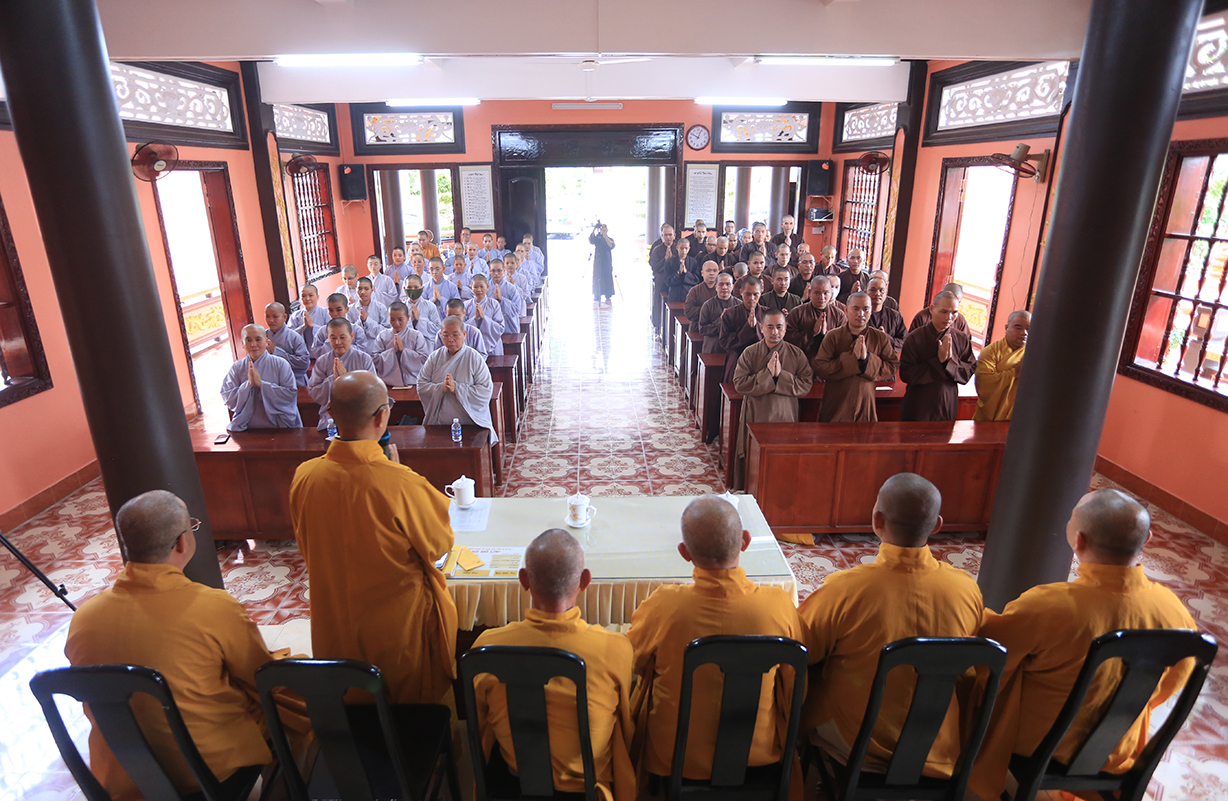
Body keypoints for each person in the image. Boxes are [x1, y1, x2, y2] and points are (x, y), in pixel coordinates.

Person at [66, 490, 311, 800]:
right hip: (204, 774)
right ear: (183, 542)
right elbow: (260, 676)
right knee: (290, 701)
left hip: (123, 774)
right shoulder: (212, 607)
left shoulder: (84, 617)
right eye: (192, 525)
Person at [969, 489, 1198, 801]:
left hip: (1039, 745)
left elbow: (988, 657)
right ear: (1147, 539)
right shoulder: (1175, 612)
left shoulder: (1049, 606)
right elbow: (1171, 683)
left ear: (1078, 540)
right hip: (1117, 745)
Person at [291, 371, 458, 705]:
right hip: (395, 630)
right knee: (405, 709)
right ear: (382, 416)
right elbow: (439, 544)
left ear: (330, 413)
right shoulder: (400, 483)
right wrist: (394, 471)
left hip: (334, 621)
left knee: (351, 698)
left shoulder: (305, 476)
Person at [799, 474, 983, 777]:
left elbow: (802, 649)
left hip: (858, 742)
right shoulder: (966, 589)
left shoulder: (845, 589)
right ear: (937, 525)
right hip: (935, 744)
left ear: (877, 520)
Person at [628, 497, 803, 791]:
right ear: (745, 541)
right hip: (758, 756)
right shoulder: (779, 606)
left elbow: (633, 661)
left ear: (684, 552)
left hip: (673, 759)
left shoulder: (663, 605)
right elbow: (797, 681)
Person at [472, 530, 635, 801]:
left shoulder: (487, 648)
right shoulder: (616, 648)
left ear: (524, 580)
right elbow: (627, 722)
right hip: (587, 783)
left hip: (517, 773)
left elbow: (478, 721)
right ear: (585, 580)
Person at [731, 308, 813, 489]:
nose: (775, 332)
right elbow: (739, 384)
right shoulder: (750, 353)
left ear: (786, 328)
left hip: (785, 415)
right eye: (770, 327)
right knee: (753, 459)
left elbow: (806, 384)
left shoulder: (796, 354)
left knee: (781, 461)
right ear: (761, 328)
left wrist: (780, 376)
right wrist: (767, 374)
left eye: (779, 327)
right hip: (756, 414)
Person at [813, 293, 899, 422]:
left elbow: (892, 367)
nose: (861, 314)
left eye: (866, 309)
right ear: (846, 310)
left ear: (871, 310)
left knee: (864, 433)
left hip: (865, 402)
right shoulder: (833, 336)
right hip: (836, 402)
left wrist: (867, 359)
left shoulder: (879, 337)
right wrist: (852, 358)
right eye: (856, 309)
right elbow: (820, 367)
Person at [419, 316, 498, 444]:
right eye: (446, 335)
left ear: (464, 334)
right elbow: (421, 384)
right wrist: (441, 388)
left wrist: (457, 388)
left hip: (471, 422)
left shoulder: (474, 358)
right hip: (440, 422)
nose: (450, 339)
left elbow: (485, 390)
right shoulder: (434, 358)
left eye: (455, 335)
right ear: (440, 335)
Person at [899, 291, 976, 421]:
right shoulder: (915, 338)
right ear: (932, 309)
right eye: (944, 311)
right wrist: (938, 362)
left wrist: (948, 362)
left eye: (954, 312)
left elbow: (969, 370)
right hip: (919, 402)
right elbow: (906, 374)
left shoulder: (961, 338)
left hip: (947, 401)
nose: (949, 317)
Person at [221, 324, 302, 431]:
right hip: (247, 425)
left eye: (258, 339)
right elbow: (228, 396)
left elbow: (290, 394)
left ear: (266, 341)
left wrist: (262, 385)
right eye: (248, 340)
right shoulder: (237, 368)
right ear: (242, 344)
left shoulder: (281, 364)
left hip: (280, 424)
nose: (253, 344)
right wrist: (248, 385)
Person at [306, 318, 375, 432]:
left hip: (360, 414)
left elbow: (373, 390)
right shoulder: (322, 361)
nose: (338, 342)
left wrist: (347, 381)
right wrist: (334, 379)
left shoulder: (364, 359)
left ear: (351, 336)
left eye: (342, 337)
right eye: (333, 338)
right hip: (331, 417)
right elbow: (314, 391)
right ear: (327, 338)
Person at [974, 310, 1030, 422]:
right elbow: (984, 383)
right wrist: (1015, 373)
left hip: (1020, 417)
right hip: (990, 417)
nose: (1024, 333)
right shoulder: (991, 352)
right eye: (1018, 328)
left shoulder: (1035, 353)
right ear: (1006, 328)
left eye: (1028, 329)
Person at [784, 276, 847, 362]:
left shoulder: (839, 315)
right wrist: (812, 333)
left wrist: (827, 334)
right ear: (810, 292)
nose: (822, 297)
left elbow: (844, 342)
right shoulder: (797, 313)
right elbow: (788, 340)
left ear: (831, 293)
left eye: (826, 293)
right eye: (817, 293)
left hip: (830, 363)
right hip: (802, 362)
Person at [717, 276, 765, 383]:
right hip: (736, 361)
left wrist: (756, 327)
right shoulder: (730, 314)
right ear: (741, 292)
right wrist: (748, 328)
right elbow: (724, 342)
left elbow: (770, 341)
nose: (751, 298)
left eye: (755, 294)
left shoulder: (767, 314)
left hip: (760, 362)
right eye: (748, 294)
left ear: (761, 292)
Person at [373, 302, 432, 387]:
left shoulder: (416, 335)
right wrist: (392, 351)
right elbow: (375, 360)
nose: (396, 323)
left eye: (400, 319)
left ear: (408, 318)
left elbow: (424, 360)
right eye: (392, 319)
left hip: (413, 381)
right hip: (387, 383)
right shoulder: (383, 336)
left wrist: (404, 350)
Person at [307, 293, 368, 359]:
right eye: (331, 310)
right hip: (329, 363)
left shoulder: (356, 330)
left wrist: (342, 346)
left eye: (339, 310)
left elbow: (362, 351)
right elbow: (315, 351)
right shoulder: (322, 331)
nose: (335, 314)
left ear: (347, 309)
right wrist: (330, 342)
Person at [264, 301, 310, 387]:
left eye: (275, 316)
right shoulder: (262, 336)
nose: (271, 320)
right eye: (267, 316)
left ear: (284, 317)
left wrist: (278, 353)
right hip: (271, 382)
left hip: (295, 381)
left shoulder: (294, 337)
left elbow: (304, 362)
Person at [465, 273, 507, 356]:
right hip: (473, 348)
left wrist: (484, 318)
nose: (479, 290)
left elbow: (500, 328)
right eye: (475, 287)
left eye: (482, 286)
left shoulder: (494, 304)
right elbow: (462, 328)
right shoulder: (466, 305)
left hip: (493, 347)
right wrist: (475, 319)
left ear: (487, 287)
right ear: (471, 288)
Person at [695, 273, 738, 354]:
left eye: (728, 284)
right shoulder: (707, 305)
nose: (724, 287)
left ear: (732, 287)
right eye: (721, 284)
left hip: (732, 349)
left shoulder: (739, 305)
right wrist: (721, 321)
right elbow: (702, 330)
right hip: (713, 349)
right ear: (716, 287)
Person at [865, 276, 907, 352]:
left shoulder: (895, 316)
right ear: (865, 292)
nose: (877, 293)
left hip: (887, 357)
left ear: (886, 293)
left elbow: (904, 342)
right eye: (873, 290)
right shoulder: (859, 314)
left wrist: (886, 338)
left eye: (881, 291)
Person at [402, 272, 442, 343]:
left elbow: (438, 329)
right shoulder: (402, 308)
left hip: (427, 344)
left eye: (416, 287)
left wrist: (419, 319)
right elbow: (397, 329)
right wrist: (410, 321)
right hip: (407, 343)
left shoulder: (430, 306)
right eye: (409, 287)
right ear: (404, 289)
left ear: (422, 288)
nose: (413, 290)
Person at [289, 283, 328, 347]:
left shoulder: (325, 312)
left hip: (322, 350)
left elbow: (331, 333)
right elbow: (289, 336)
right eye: (303, 296)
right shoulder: (296, 315)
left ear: (317, 297)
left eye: (311, 295)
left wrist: (313, 326)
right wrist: (303, 327)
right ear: (300, 299)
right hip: (301, 351)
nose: (307, 298)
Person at [489, 259, 526, 325]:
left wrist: (502, 299)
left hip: (509, 326)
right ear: (490, 271)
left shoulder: (511, 288)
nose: (496, 274)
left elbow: (516, 309)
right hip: (491, 326)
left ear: (504, 271)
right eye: (493, 271)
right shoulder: (486, 288)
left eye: (499, 271)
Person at [355, 276, 390, 342]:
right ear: (355, 289)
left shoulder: (380, 307)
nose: (363, 292)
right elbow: (350, 331)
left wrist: (367, 320)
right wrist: (361, 321)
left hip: (377, 344)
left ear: (372, 289)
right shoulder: (351, 309)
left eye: (366, 289)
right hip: (358, 345)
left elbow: (386, 331)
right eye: (359, 289)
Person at [665, 237, 698, 304]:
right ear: (677, 248)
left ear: (689, 248)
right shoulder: (670, 262)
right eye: (682, 248)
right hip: (674, 294)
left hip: (688, 293)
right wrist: (678, 273)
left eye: (686, 248)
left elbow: (696, 280)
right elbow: (667, 281)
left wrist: (686, 273)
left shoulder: (693, 262)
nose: (684, 251)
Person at [590, 222, 616, 302]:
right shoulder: (598, 239)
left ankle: (608, 294)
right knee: (597, 277)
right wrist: (594, 229)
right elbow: (591, 240)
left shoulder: (610, 239)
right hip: (598, 261)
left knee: (607, 277)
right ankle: (597, 294)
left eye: (605, 230)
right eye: (602, 230)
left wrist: (605, 237)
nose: (604, 231)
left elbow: (611, 245)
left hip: (607, 261)